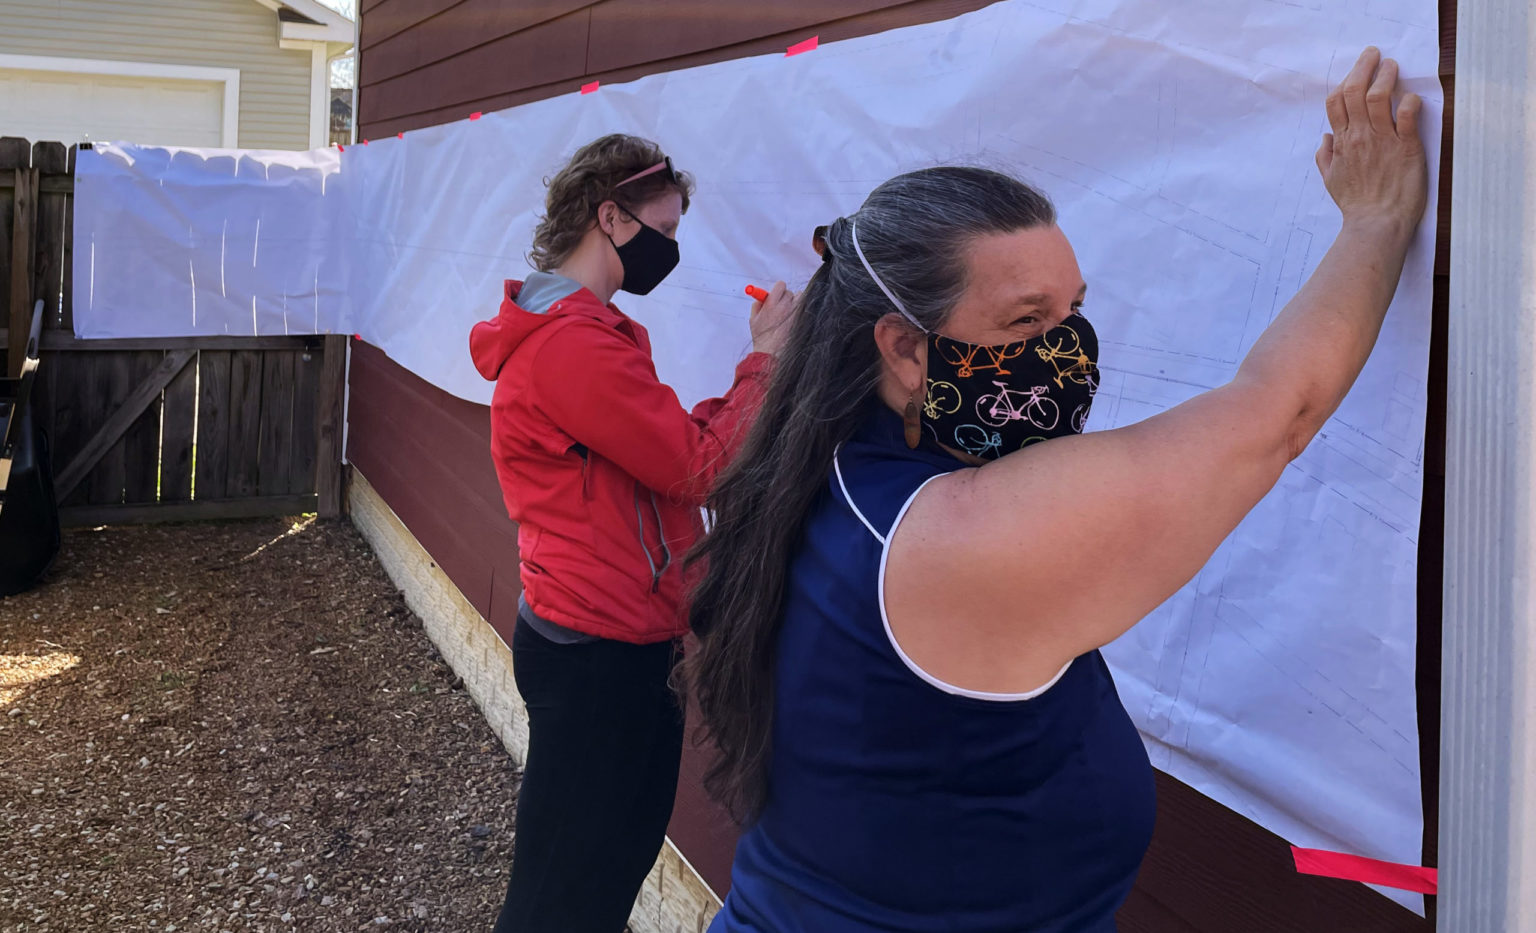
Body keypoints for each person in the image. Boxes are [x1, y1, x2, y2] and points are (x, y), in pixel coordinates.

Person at [684, 47, 1426, 932]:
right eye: (1025, 319)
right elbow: (1277, 414)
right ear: (907, 349)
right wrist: (1375, 222)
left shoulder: (818, 464)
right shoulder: (955, 536)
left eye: (1073, 310)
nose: (1067, 348)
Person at [468, 133, 795, 933]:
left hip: (613, 636)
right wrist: (766, 361)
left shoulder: (587, 332)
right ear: (610, 217)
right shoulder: (572, 345)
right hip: (599, 653)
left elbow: (667, 449)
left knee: (600, 868)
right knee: (565, 896)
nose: (670, 248)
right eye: (665, 229)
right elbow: (703, 467)